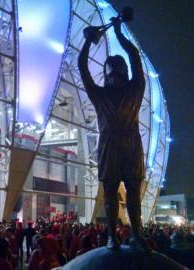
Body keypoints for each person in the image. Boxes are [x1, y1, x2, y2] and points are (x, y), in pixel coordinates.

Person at [78, 16, 146, 250]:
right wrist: (87, 42)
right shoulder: (100, 95)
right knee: (109, 190)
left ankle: (136, 234)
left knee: (133, 190)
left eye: (119, 71)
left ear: (125, 73)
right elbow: (82, 68)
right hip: (108, 145)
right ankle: (111, 235)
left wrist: (118, 33)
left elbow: (135, 57)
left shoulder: (136, 89)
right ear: (106, 74)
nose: (115, 75)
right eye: (111, 72)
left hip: (130, 143)